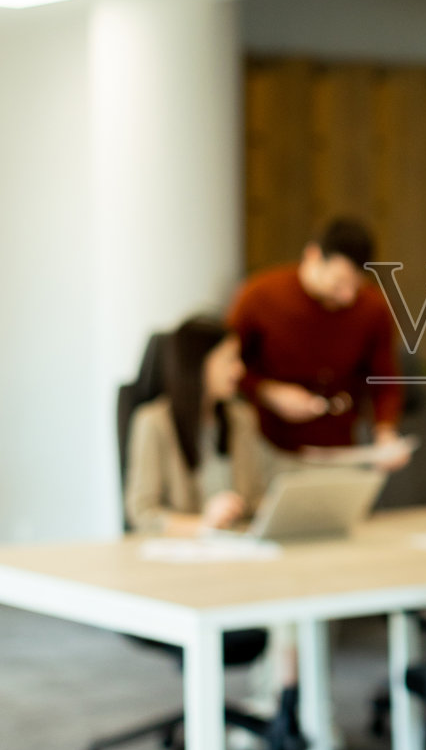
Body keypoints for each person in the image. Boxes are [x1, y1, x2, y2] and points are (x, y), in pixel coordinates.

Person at [227, 216, 403, 464]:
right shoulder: (260, 296)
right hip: (266, 448)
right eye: (339, 283)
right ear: (313, 256)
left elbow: (384, 380)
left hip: (338, 450)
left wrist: (385, 432)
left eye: (356, 285)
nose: (347, 296)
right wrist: (267, 391)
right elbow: (224, 366)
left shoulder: (372, 308)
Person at [125, 316, 263, 534]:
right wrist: (204, 525)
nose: (239, 369)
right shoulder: (153, 423)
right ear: (198, 363)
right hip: (182, 553)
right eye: (230, 359)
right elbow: (143, 513)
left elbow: (254, 499)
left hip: (238, 546)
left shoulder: (241, 418)